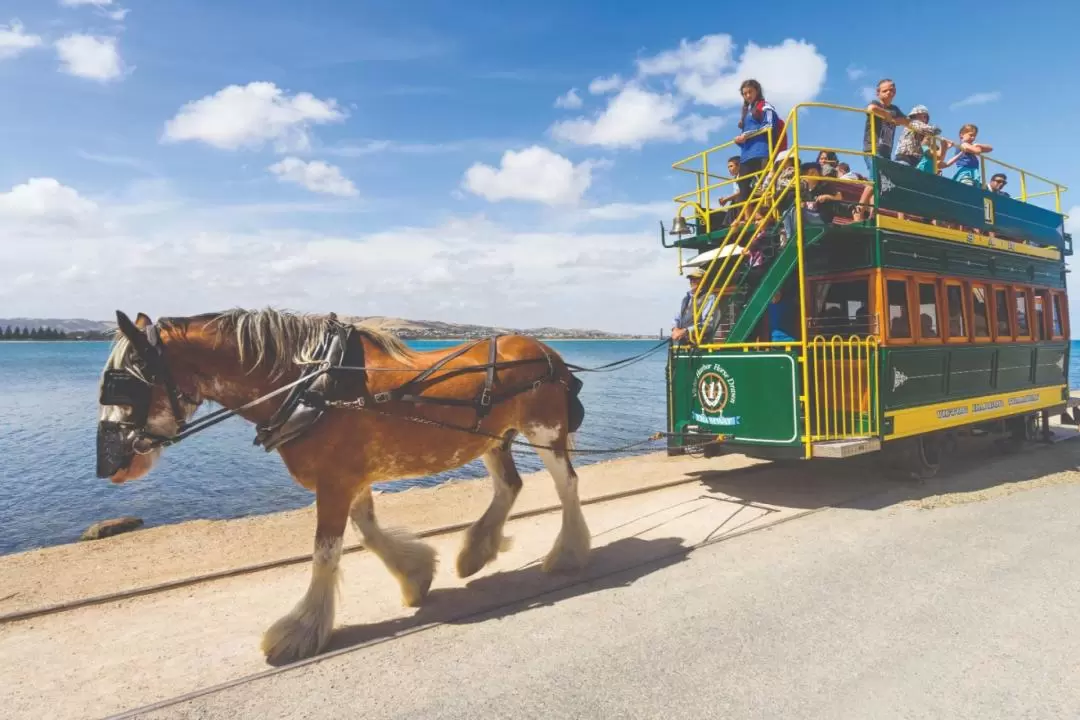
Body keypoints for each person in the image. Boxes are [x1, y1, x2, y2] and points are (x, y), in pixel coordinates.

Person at [853, 78, 911, 221]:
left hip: (886, 151)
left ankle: (873, 214)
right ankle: (858, 210)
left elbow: (907, 121)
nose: (889, 92)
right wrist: (886, 115)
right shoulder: (877, 104)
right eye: (885, 90)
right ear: (878, 93)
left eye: (892, 90)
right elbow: (871, 109)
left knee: (881, 184)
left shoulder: (895, 109)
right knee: (874, 180)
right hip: (872, 148)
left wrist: (896, 120)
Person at [733, 79, 783, 206]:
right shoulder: (746, 111)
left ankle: (765, 214)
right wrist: (739, 139)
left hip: (762, 151)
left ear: (757, 91)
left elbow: (769, 125)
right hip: (746, 154)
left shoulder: (765, 106)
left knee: (764, 183)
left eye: (750, 92)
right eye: (745, 93)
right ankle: (748, 217)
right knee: (742, 184)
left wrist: (746, 135)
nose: (748, 95)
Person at [671, 267, 721, 344]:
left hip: (700, 345)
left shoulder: (709, 297)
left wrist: (685, 331)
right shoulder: (686, 299)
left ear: (704, 280)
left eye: (696, 278)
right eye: (691, 279)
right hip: (684, 344)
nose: (692, 281)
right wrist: (675, 329)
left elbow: (707, 325)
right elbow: (677, 317)